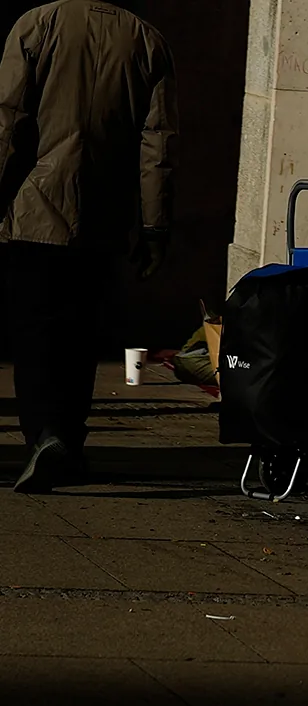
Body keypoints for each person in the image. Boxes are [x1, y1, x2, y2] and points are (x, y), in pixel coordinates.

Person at [0, 0, 178, 492]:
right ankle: (69, 444)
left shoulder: (37, 24)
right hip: (105, 213)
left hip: (36, 208)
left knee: (35, 330)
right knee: (82, 331)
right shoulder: (148, 41)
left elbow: (8, 120)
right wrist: (155, 228)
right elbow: (157, 145)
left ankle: (45, 435)